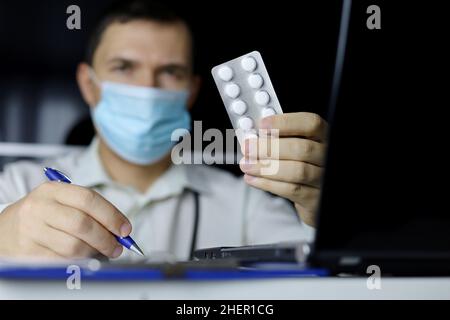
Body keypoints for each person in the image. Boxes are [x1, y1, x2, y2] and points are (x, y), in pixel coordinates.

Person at [0, 0, 327, 261]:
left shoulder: (244, 203)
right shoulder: (19, 186)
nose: (147, 87)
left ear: (192, 92)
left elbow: (325, 280)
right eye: (124, 67)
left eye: (170, 72)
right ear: (88, 84)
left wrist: (322, 213)